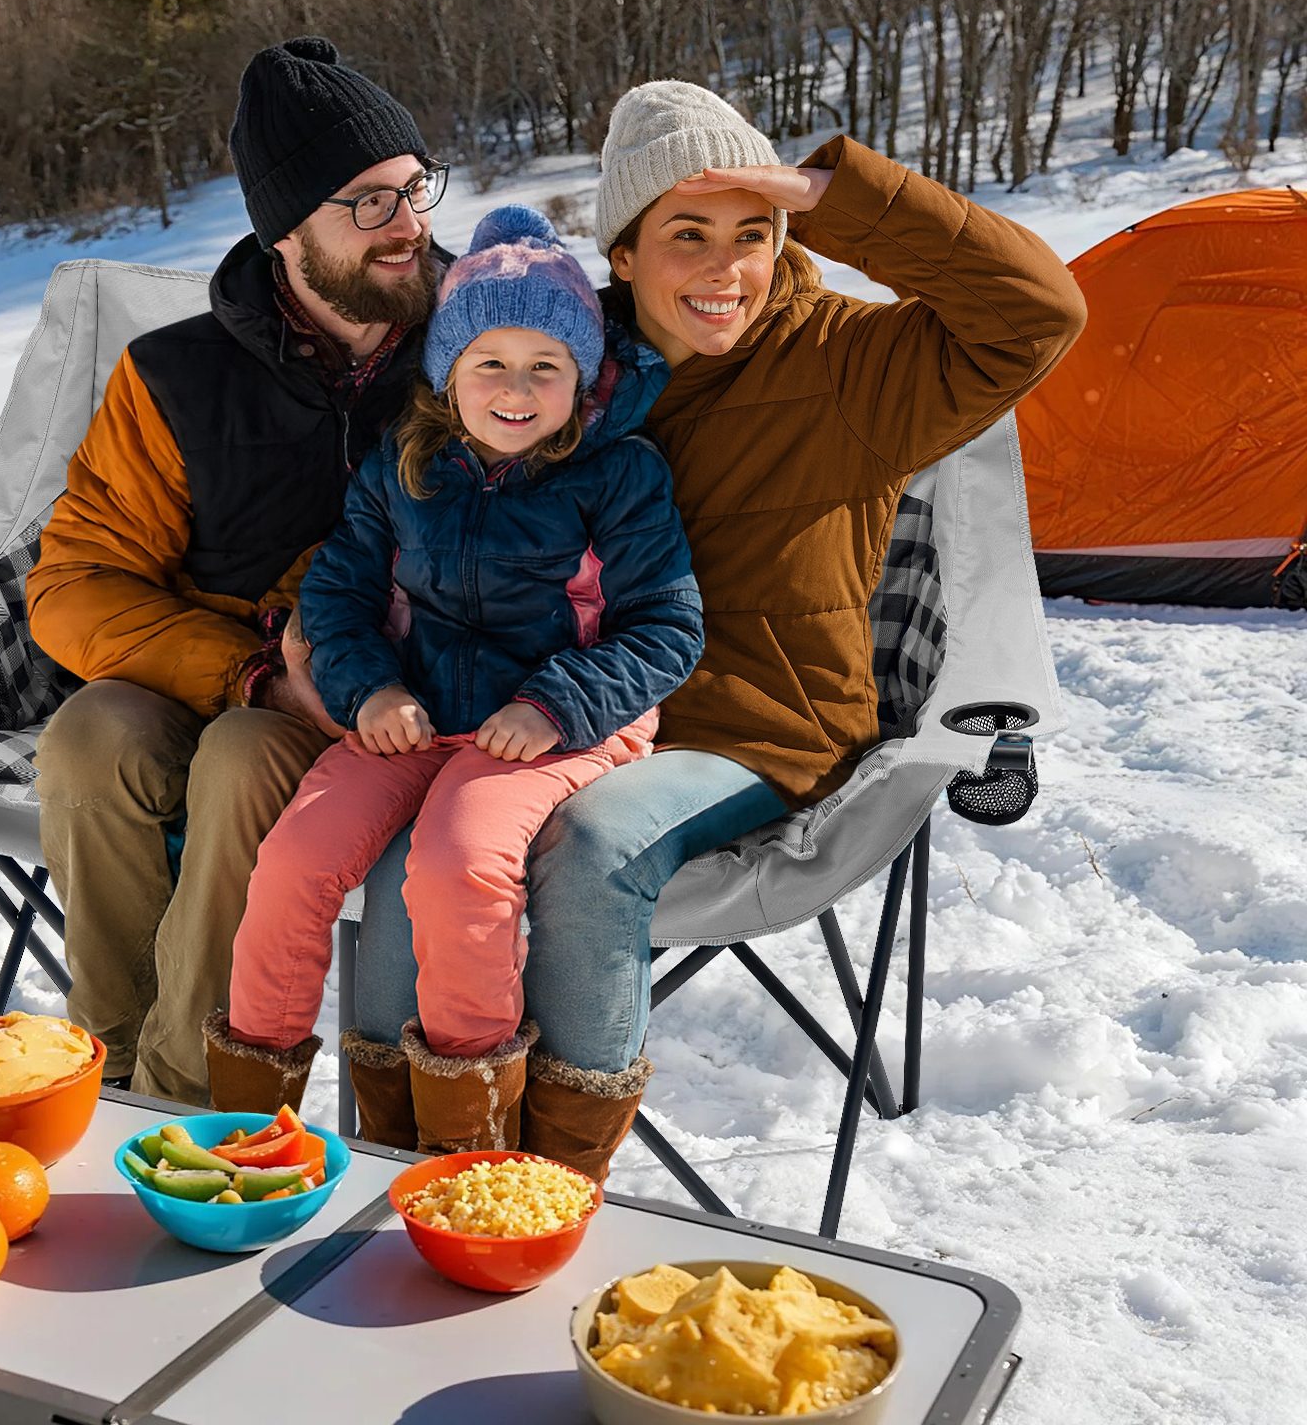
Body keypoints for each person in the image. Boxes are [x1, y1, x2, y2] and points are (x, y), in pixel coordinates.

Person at [347, 81, 1089, 1180]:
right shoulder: (561, 361)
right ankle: (393, 1169)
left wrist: (828, 193)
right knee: (413, 857)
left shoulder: (844, 363)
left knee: (595, 847)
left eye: (754, 233)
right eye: (686, 234)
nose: (725, 268)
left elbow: (1039, 312)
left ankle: (550, 1185)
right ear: (627, 254)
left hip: (750, 733)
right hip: (557, 718)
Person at [205, 207, 703, 1149]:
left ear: (582, 378)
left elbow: (668, 630)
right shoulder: (407, 464)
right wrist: (368, 691)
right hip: (413, 714)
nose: (516, 389)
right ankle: (246, 1126)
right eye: (490, 363)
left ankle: (465, 1142)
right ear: (448, 372)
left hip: (562, 724)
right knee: (294, 860)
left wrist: (555, 703)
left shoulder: (620, 475)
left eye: (545, 367)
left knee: (455, 865)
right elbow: (340, 592)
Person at [27, 37, 452, 1107]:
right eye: (366, 203)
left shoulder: (484, 340)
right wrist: (250, 668)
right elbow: (74, 582)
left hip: (395, 682)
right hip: (229, 671)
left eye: (412, 189)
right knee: (91, 736)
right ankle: (107, 1071)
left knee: (238, 759)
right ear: (282, 233)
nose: (407, 226)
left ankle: (195, 1106)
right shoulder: (175, 376)